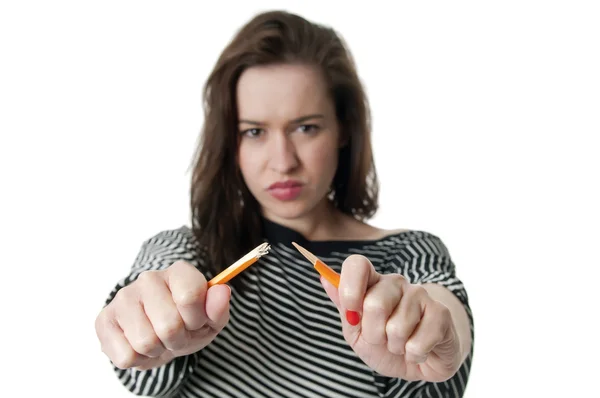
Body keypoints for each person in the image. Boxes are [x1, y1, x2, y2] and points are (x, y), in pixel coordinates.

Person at [95, 9, 474, 398]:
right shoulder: (189, 252)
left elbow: (445, 322)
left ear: (343, 129)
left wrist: (441, 338)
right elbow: (147, 320)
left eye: (305, 128)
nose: (283, 161)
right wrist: (139, 323)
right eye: (255, 131)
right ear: (231, 142)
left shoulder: (408, 255)